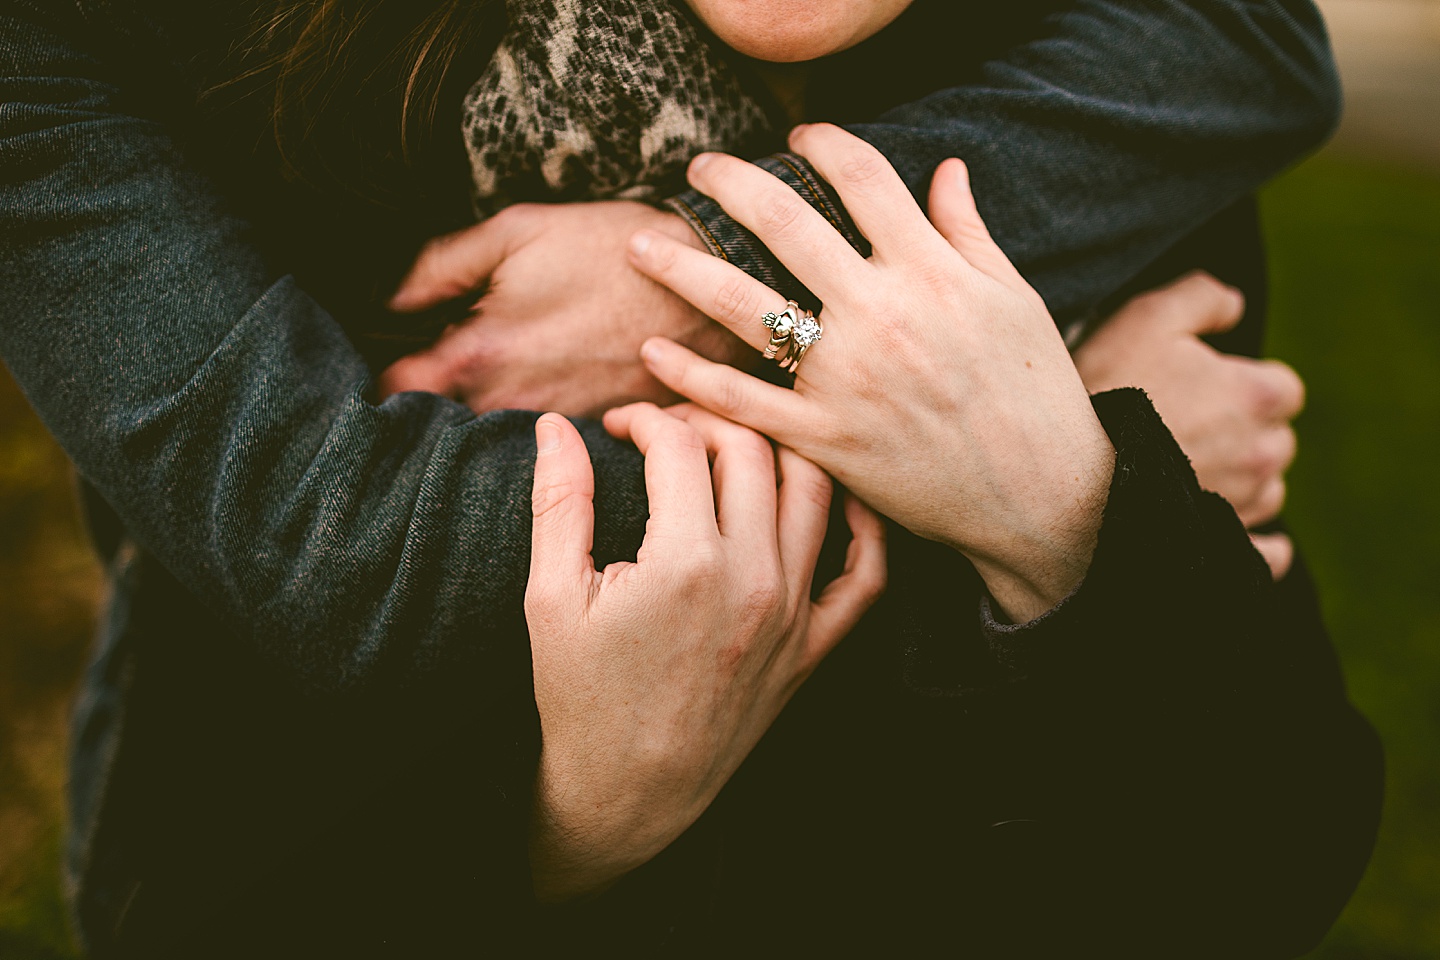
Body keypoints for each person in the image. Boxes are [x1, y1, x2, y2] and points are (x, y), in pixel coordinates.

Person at [0, 0, 1375, 954]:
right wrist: (1046, 461)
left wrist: (720, 277)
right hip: (338, 867)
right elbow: (362, 551)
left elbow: (1258, 858)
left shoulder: (1058, 61)